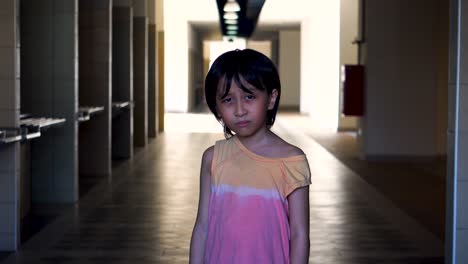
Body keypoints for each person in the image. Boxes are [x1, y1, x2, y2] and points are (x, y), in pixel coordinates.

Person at [189, 49, 311, 264]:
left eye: (249, 96)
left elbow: (299, 234)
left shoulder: (292, 161)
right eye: (227, 100)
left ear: (271, 99)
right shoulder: (213, 158)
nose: (239, 110)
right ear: (216, 108)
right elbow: (202, 227)